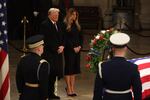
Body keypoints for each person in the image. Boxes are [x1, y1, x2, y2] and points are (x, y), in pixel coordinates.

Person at [93, 33, 142, 100]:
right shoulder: (133, 67)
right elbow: (137, 91)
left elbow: (97, 92)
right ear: (126, 48)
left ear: (112, 48)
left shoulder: (102, 66)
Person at [39, 8, 64, 99]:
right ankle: (46, 94)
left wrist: (62, 46)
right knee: (48, 75)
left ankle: (51, 94)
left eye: (57, 14)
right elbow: (45, 40)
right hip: (49, 54)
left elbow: (62, 37)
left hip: (57, 54)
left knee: (54, 74)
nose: (57, 16)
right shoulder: (44, 25)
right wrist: (56, 48)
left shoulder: (58, 24)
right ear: (49, 15)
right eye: (55, 14)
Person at [16, 35, 50, 100]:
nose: (43, 47)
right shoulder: (43, 63)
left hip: (25, 93)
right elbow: (44, 84)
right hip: (37, 95)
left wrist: (21, 92)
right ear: (38, 49)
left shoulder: (23, 59)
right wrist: (45, 97)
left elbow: (18, 77)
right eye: (42, 46)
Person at [63, 8, 83, 96]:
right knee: (69, 69)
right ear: (69, 15)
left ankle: (72, 88)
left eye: (76, 15)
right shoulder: (65, 25)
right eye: (73, 14)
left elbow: (81, 37)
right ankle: (68, 88)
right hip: (69, 50)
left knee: (74, 69)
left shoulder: (77, 25)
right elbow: (65, 39)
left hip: (77, 50)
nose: (74, 16)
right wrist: (72, 48)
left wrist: (79, 46)